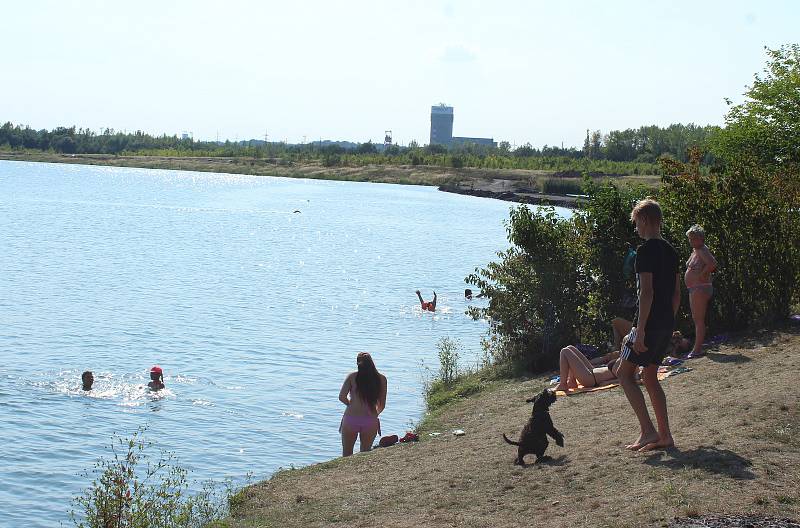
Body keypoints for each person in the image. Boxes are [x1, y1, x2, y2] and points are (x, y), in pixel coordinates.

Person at [618, 198, 679, 452]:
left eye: (636, 223)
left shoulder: (644, 252)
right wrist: (670, 322)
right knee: (650, 376)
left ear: (644, 220)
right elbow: (676, 294)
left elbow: (647, 293)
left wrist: (640, 330)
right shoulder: (672, 251)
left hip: (649, 324)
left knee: (624, 374)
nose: (636, 229)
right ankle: (664, 436)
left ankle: (648, 431)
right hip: (665, 322)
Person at [338, 352, 387, 456]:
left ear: (357, 363)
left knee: (347, 454)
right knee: (364, 454)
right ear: (372, 363)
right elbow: (382, 404)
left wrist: (350, 405)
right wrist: (374, 414)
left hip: (351, 418)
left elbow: (342, 397)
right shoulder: (381, 379)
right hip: (370, 420)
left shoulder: (352, 376)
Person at [684, 224, 718, 358]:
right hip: (696, 288)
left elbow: (712, 263)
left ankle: (697, 349)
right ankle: (697, 347)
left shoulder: (702, 249)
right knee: (697, 319)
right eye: (690, 238)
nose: (691, 241)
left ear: (701, 238)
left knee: (698, 320)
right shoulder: (696, 250)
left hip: (699, 288)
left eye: (694, 238)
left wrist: (702, 275)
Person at [554, 346, 620, 392]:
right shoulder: (624, 359)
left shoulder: (627, 365)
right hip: (593, 371)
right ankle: (572, 381)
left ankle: (563, 384)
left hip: (591, 379)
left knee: (565, 351)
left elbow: (624, 378)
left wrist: (608, 382)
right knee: (570, 347)